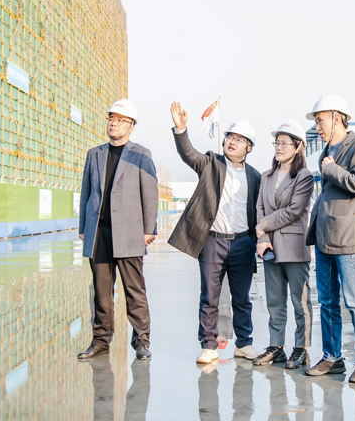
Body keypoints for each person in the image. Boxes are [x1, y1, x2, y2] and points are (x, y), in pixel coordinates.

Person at [168, 102, 262, 364]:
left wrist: (257, 240)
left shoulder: (255, 177)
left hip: (243, 243)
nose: (232, 142)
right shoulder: (210, 164)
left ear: (249, 147)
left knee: (242, 299)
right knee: (209, 297)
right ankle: (209, 346)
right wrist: (181, 129)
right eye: (230, 137)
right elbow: (189, 154)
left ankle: (244, 344)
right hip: (213, 242)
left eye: (239, 139)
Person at [303, 95, 355, 383]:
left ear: (337, 117)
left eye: (320, 120)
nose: (318, 127)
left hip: (346, 238)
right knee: (327, 301)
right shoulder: (326, 152)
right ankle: (332, 357)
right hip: (325, 237)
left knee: (354, 301)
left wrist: (332, 169)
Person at [78, 99, 158, 361]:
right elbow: (86, 192)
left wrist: (149, 228)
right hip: (99, 233)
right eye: (111, 118)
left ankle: (142, 341)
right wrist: (84, 227)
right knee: (101, 291)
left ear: (131, 126)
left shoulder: (141, 154)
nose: (114, 123)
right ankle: (101, 341)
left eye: (121, 120)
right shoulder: (95, 154)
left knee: (134, 290)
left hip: (129, 232)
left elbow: (150, 193)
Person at [252, 121, 315, 369]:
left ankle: (301, 349)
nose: (279, 147)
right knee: (274, 301)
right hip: (270, 248)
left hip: (294, 247)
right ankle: (276, 347)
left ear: (298, 147)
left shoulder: (304, 176)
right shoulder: (266, 176)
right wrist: (263, 238)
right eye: (276, 143)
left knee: (301, 302)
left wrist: (263, 225)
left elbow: (294, 210)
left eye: (285, 143)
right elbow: (259, 207)